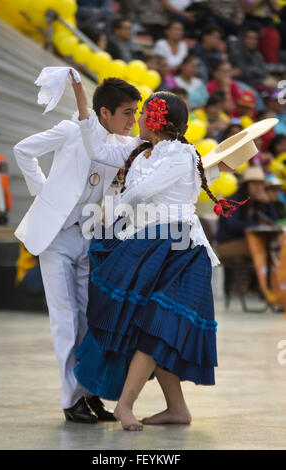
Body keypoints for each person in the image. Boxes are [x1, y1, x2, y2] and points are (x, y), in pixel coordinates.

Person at [70, 75, 239, 431]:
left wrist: (110, 211)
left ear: (157, 121)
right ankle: (177, 409)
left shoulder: (180, 154)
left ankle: (125, 406)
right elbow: (98, 151)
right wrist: (83, 106)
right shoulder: (143, 150)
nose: (138, 119)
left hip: (180, 249)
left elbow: (141, 192)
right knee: (154, 326)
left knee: (156, 325)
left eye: (143, 113)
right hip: (149, 243)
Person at [14, 70, 142, 424]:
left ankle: (89, 394)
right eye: (128, 112)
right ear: (104, 112)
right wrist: (45, 194)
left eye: (136, 111)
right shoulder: (72, 129)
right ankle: (71, 401)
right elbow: (22, 150)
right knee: (65, 320)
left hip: (89, 235)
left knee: (91, 318)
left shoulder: (119, 146)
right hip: (55, 235)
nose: (134, 119)